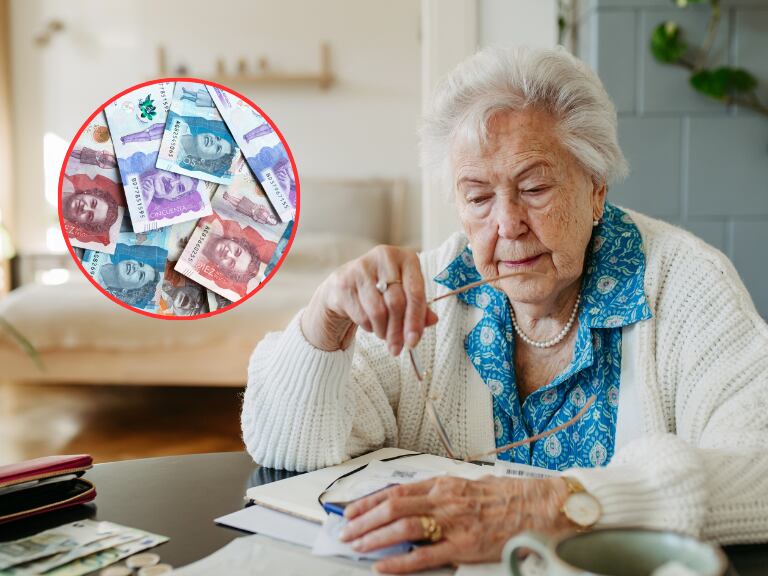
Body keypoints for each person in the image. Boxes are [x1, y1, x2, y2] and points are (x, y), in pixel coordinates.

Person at [241, 47, 768, 573]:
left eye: (534, 188)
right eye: (477, 198)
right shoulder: (432, 293)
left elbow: (758, 471)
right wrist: (324, 321)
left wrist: (559, 505)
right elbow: (288, 445)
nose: (507, 223)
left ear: (595, 191)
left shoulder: (685, 284)